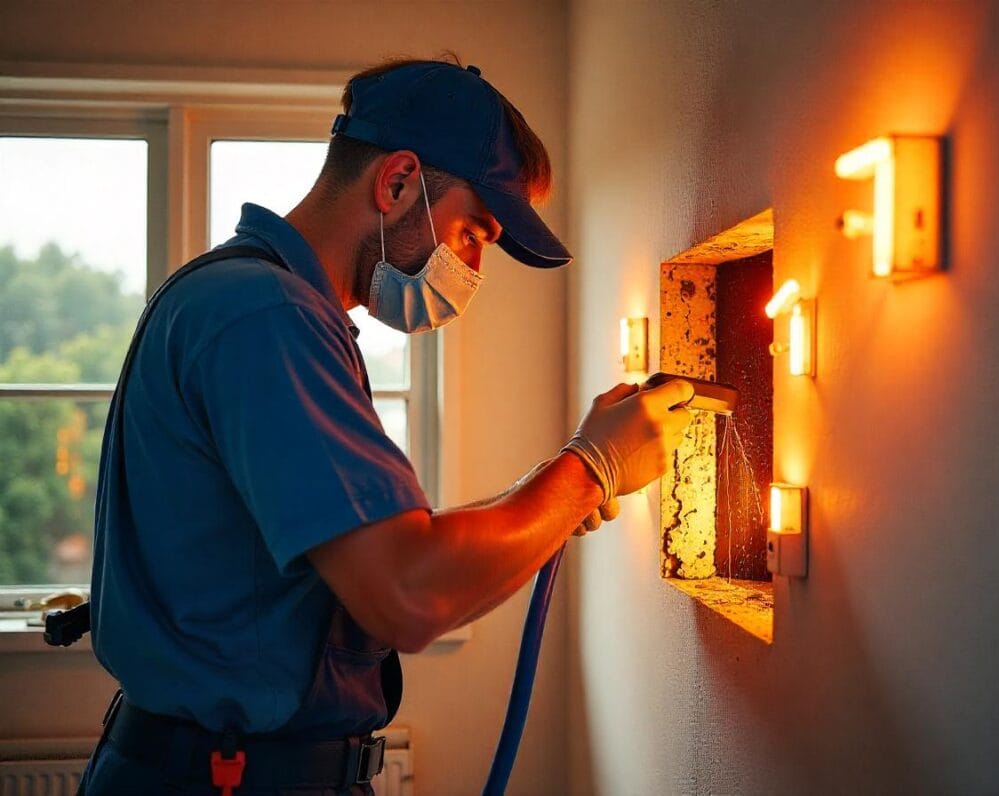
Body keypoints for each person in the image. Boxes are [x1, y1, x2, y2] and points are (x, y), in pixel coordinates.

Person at [78, 57, 694, 795]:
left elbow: (383, 555)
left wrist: (545, 498)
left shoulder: (257, 305)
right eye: (473, 232)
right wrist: (587, 470)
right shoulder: (267, 318)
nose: (472, 268)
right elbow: (407, 594)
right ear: (398, 183)